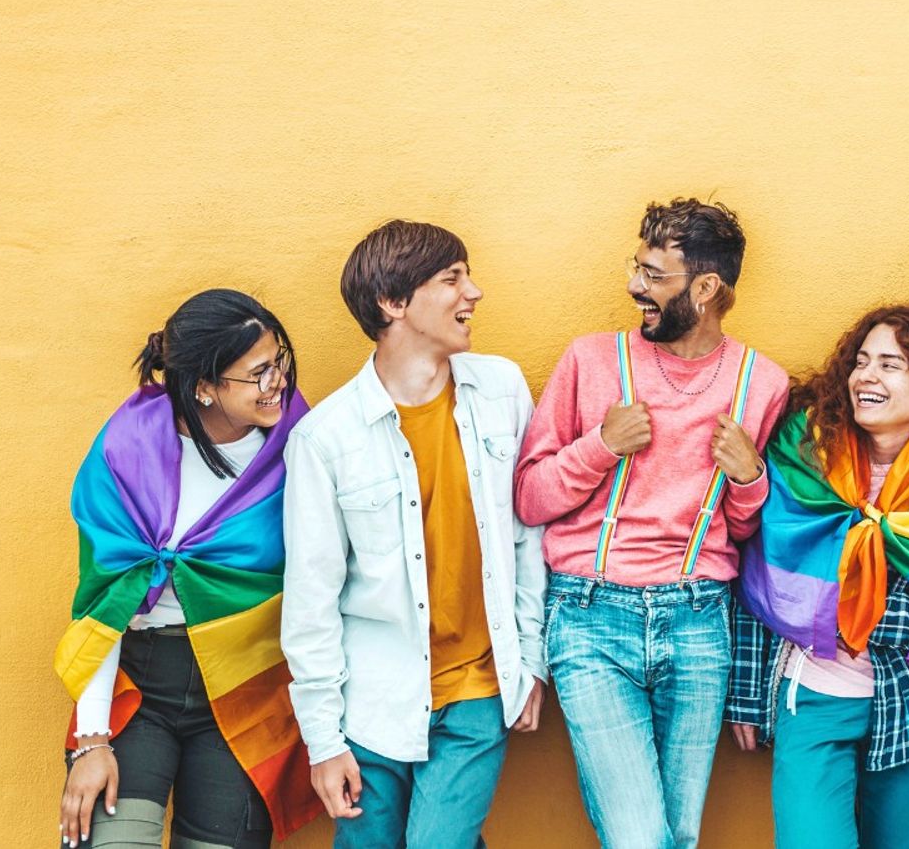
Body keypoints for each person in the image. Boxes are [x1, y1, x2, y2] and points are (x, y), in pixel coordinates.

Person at [515, 198, 789, 849]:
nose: (635, 285)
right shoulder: (589, 360)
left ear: (705, 287)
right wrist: (599, 447)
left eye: (653, 273)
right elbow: (529, 496)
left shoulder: (761, 382)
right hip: (589, 616)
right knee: (641, 837)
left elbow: (748, 533)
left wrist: (749, 478)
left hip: (698, 618)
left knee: (680, 835)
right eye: (636, 267)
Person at [280, 221, 549, 848]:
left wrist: (530, 658)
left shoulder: (501, 389)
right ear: (392, 303)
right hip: (369, 706)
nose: (474, 292)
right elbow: (312, 599)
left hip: (479, 689)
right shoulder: (326, 439)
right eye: (452, 279)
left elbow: (525, 534)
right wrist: (323, 741)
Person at [729, 304, 909, 849]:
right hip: (811, 694)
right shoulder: (804, 452)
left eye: (891, 364)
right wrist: (744, 695)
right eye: (861, 362)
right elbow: (761, 574)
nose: (867, 377)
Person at [55, 288, 317, 848]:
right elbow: (106, 603)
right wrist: (93, 740)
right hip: (140, 680)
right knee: (109, 839)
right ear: (204, 386)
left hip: (250, 684)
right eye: (258, 373)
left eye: (280, 363)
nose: (278, 384)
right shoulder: (130, 448)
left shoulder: (302, 444)